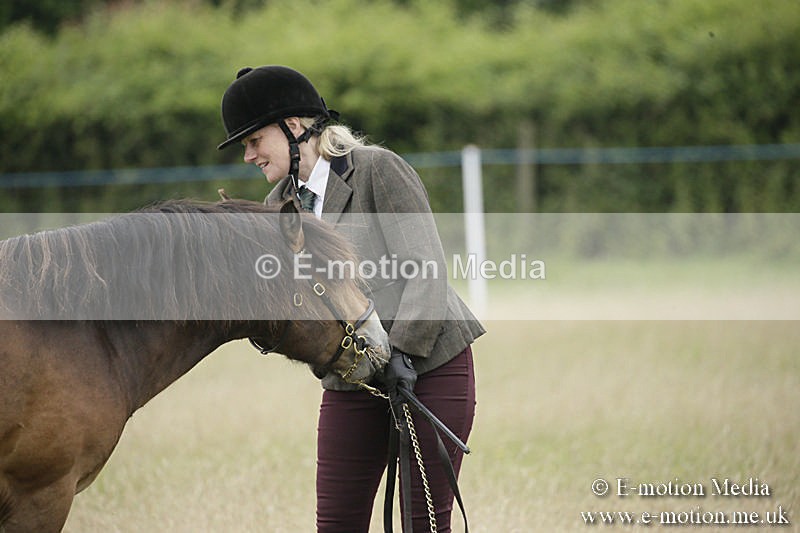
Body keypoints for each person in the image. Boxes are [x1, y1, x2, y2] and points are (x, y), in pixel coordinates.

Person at [217, 65, 485, 532]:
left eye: (254, 140)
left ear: (293, 128)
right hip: (353, 380)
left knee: (423, 523)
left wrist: (403, 354)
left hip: (429, 367)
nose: (248, 156)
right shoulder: (279, 207)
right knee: (337, 523)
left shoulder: (376, 169)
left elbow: (426, 268)